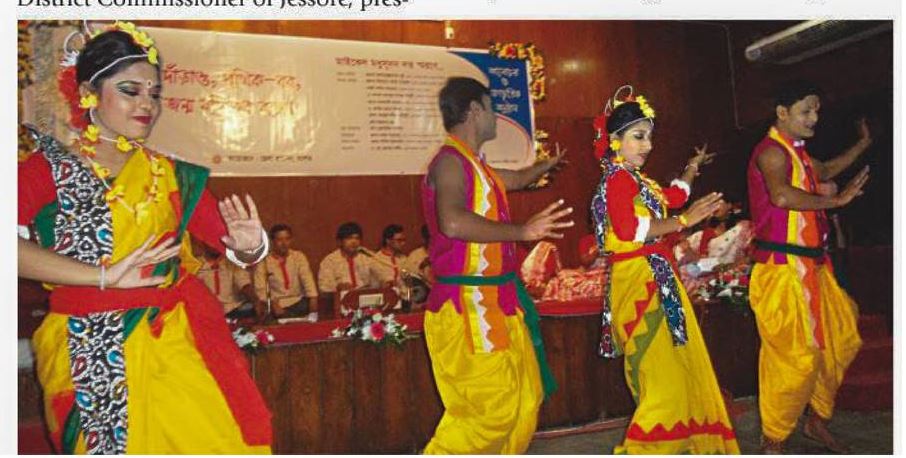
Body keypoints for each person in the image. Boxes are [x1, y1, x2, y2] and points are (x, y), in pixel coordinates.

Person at [17, 22, 271, 453]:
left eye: (154, 94)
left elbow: (232, 243)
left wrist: (250, 246)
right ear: (88, 93)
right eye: (130, 91)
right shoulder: (45, 171)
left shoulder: (169, 173)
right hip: (87, 343)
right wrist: (103, 275)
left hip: (173, 339)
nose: (147, 105)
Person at [421, 76, 573, 454]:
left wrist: (546, 165)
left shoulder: (477, 166)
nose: (496, 117)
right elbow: (452, 222)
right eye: (492, 108)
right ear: (475, 110)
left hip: (499, 301)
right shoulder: (449, 162)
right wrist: (523, 231)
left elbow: (517, 179)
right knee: (489, 413)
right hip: (467, 304)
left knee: (524, 401)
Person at [589, 86, 739, 454]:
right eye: (638, 137)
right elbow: (630, 230)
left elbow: (675, 196)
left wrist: (693, 166)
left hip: (656, 275)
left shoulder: (637, 181)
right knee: (664, 379)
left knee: (670, 370)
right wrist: (685, 221)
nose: (648, 145)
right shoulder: (617, 179)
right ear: (615, 140)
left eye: (649, 137)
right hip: (641, 279)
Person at [747, 80, 870, 454]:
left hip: (814, 267)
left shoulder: (798, 153)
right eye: (806, 111)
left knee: (841, 338)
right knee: (795, 358)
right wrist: (837, 201)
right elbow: (782, 196)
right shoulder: (771, 153)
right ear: (782, 112)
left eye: (816, 110)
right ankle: (774, 439)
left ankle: (816, 421)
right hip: (781, 270)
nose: (814, 117)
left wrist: (863, 143)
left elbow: (827, 168)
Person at [253, 224, 318, 319]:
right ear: (272, 241)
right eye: (280, 240)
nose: (284, 243)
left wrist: (313, 298)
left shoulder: (298, 257)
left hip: (298, 302)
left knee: (307, 306)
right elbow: (261, 289)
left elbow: (307, 280)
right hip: (276, 304)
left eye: (287, 239)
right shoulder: (264, 262)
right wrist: (272, 303)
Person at [317, 221, 389, 294]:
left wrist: (385, 282)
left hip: (366, 297)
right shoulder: (330, 261)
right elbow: (324, 288)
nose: (354, 242)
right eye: (349, 238)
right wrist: (338, 287)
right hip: (342, 298)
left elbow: (382, 276)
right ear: (340, 241)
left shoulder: (366, 256)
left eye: (357, 238)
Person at [196, 245, 257, 319]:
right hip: (206, 312)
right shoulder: (196, 265)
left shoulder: (232, 262)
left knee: (250, 307)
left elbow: (244, 283)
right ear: (204, 243)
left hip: (233, 310)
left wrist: (255, 301)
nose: (215, 245)